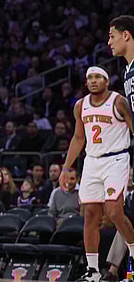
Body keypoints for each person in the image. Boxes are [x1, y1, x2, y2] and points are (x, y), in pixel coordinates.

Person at [62, 66, 134, 282]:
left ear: (106, 81)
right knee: (91, 215)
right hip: (92, 161)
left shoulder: (118, 101)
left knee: (113, 211)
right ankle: (92, 271)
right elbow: (78, 138)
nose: (93, 81)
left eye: (98, 77)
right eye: (90, 78)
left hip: (116, 158)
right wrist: (66, 167)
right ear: (86, 83)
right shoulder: (80, 106)